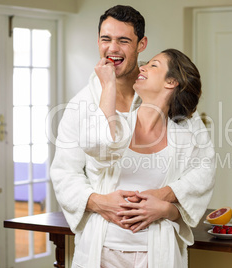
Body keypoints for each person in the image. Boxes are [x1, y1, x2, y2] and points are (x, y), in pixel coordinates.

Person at [50, 5, 215, 268]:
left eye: (123, 40)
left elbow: (204, 168)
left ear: (141, 44)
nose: (112, 48)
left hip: (158, 249)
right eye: (106, 39)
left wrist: (165, 199)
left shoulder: (173, 109)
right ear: (98, 41)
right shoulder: (81, 105)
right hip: (102, 243)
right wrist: (100, 203)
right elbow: (64, 173)